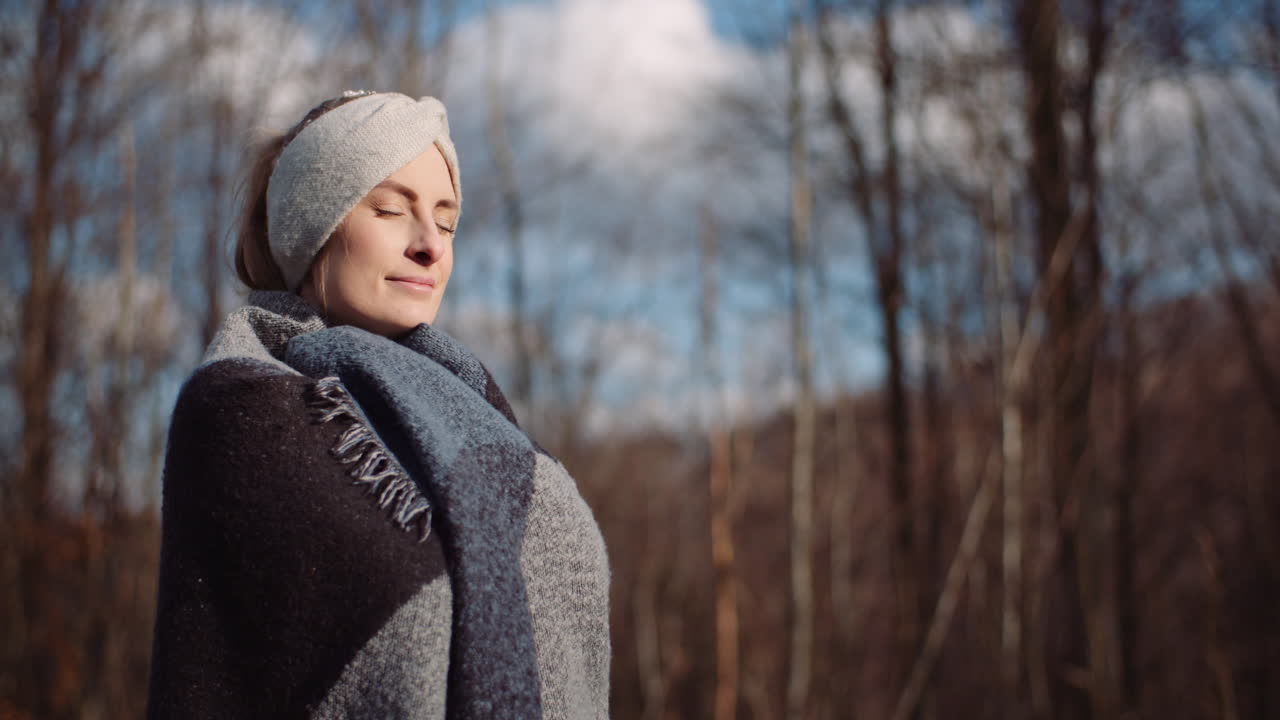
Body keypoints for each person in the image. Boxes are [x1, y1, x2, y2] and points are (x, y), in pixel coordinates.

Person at [145, 91, 611, 720]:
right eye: (391, 209)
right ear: (314, 226)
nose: (431, 245)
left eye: (446, 221)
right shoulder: (241, 412)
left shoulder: (479, 416)